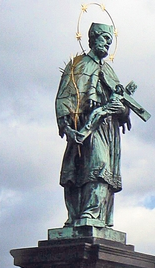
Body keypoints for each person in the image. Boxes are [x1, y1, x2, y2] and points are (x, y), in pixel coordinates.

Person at [55, 22, 131, 228]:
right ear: (92, 38)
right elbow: (64, 97)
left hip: (107, 129)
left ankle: (94, 214)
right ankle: (79, 215)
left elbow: (124, 108)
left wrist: (121, 110)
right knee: (81, 170)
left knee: (101, 168)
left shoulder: (110, 72)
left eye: (110, 40)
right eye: (105, 38)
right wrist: (66, 125)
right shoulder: (77, 65)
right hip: (83, 126)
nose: (108, 43)